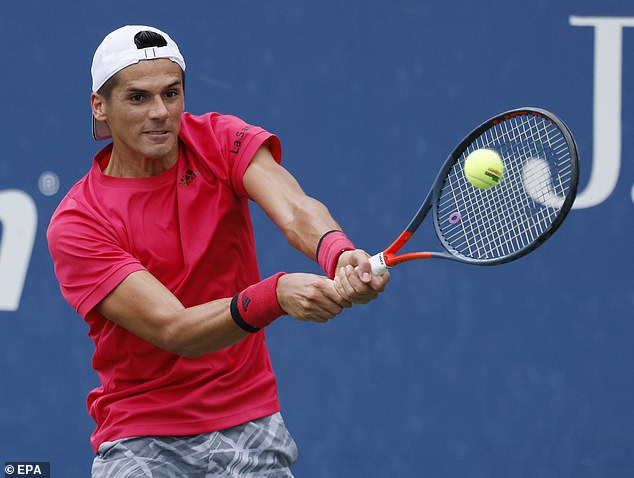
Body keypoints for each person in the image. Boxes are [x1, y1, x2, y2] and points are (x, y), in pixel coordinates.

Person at [47, 25, 389, 477]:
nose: (160, 112)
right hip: (142, 438)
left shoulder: (218, 140)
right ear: (100, 107)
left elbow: (295, 208)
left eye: (172, 94)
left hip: (250, 423)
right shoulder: (79, 222)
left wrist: (338, 254)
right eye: (138, 98)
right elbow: (175, 329)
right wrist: (277, 294)